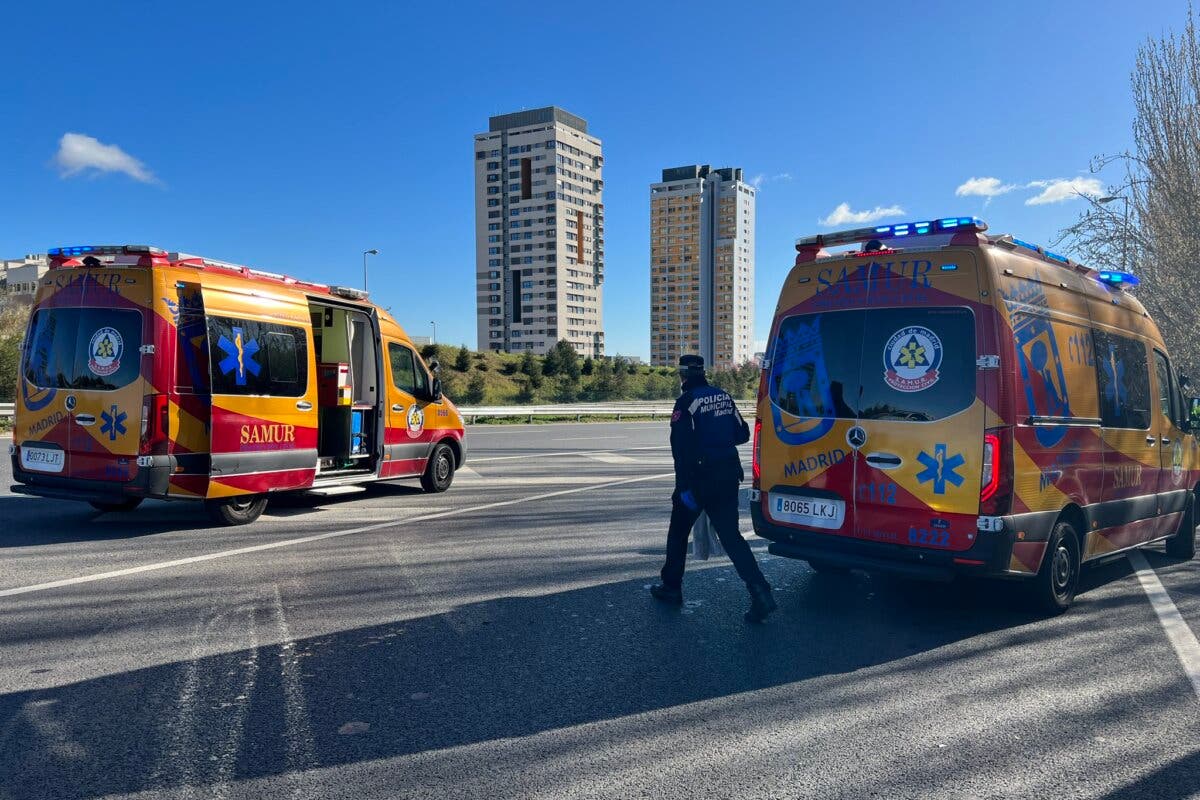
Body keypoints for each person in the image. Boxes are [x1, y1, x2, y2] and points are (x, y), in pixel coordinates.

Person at [650, 355, 777, 623]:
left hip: (698, 481)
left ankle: (671, 587)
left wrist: (683, 487)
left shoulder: (686, 402)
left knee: (678, 534)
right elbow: (742, 434)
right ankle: (760, 592)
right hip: (728, 477)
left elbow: (680, 450)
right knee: (732, 538)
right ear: (702, 372)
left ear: (682, 375)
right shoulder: (723, 396)